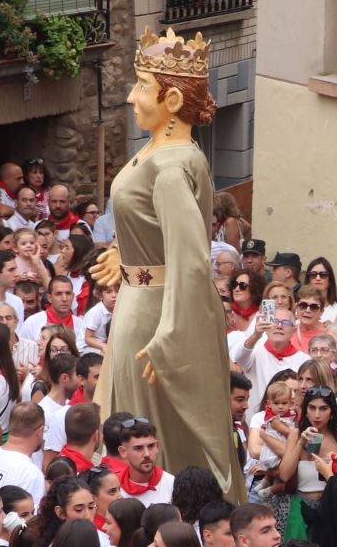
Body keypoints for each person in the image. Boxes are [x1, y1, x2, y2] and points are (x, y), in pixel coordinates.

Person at [89, 28, 244, 500]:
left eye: (142, 85)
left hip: (156, 315)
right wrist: (125, 251)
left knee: (152, 432)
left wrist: (171, 336)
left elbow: (192, 261)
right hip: (141, 300)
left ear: (172, 98)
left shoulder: (172, 166)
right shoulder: (159, 151)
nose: (133, 96)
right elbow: (156, 231)